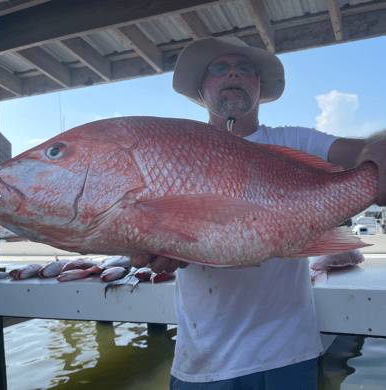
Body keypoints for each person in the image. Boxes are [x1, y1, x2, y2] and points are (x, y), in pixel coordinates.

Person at [130, 37, 386, 389]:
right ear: (202, 90)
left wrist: (379, 152)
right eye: (219, 68)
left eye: (244, 68)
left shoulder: (296, 140)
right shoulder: (176, 149)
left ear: (259, 86)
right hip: (203, 363)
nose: (233, 73)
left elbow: (366, 153)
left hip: (290, 353)